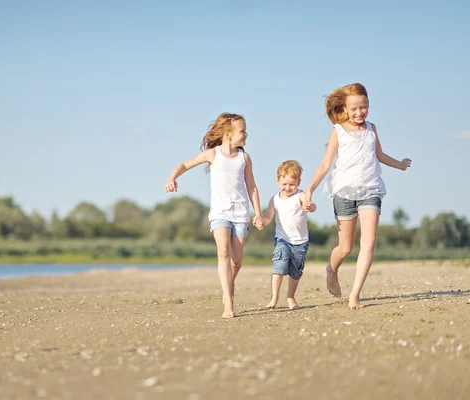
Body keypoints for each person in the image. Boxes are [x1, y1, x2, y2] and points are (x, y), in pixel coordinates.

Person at [303, 83, 412, 309]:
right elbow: (325, 164)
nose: (359, 113)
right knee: (345, 248)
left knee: (369, 241)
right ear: (345, 108)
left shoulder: (372, 128)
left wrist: (400, 165)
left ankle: (354, 294)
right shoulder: (338, 131)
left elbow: (379, 155)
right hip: (344, 191)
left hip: (370, 189)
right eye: (354, 109)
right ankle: (331, 269)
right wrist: (309, 189)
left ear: (369, 105)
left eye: (363, 107)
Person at [164, 112, 263, 318]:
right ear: (228, 134)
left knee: (236, 261)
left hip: (240, 212)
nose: (246, 134)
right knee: (223, 253)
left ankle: (228, 283)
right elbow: (185, 164)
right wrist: (172, 178)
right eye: (242, 131)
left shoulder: (244, 158)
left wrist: (258, 213)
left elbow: (252, 186)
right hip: (219, 212)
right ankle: (229, 301)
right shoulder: (213, 155)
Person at [254, 160, 316, 310]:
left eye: (292, 184)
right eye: (284, 184)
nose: (288, 188)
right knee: (278, 266)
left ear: (298, 182)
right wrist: (262, 221)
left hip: (300, 242)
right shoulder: (274, 200)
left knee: (295, 272)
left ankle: (290, 297)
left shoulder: (301, 196)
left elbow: (311, 206)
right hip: (282, 240)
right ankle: (274, 297)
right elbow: (269, 216)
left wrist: (309, 206)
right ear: (278, 181)